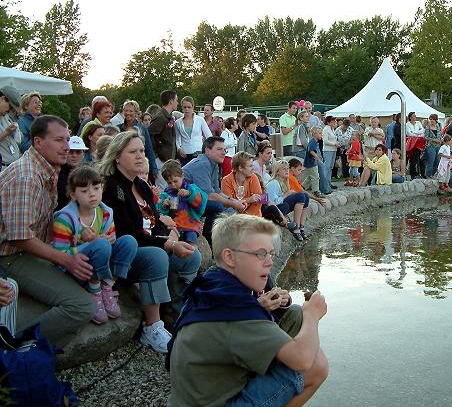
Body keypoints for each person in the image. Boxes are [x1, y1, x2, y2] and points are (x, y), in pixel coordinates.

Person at [168, 214, 328, 407]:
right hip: (215, 402)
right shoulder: (236, 310)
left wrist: (269, 305)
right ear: (230, 257)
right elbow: (301, 360)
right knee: (316, 364)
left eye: (270, 254)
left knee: (295, 315)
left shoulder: (211, 285)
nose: (269, 262)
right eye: (260, 254)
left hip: (192, 396)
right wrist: (312, 314)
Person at [100, 130, 201, 351]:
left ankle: (176, 314)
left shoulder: (142, 186)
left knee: (193, 257)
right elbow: (129, 234)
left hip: (147, 242)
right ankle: (151, 327)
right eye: (132, 152)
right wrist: (169, 243)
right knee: (157, 257)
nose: (140, 156)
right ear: (117, 156)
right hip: (121, 254)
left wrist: (171, 235)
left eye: (142, 151)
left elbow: (154, 225)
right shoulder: (111, 188)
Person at [0, 115, 95, 347]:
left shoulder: (46, 169)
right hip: (11, 256)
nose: (67, 146)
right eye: (59, 140)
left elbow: (43, 221)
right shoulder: (27, 177)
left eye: (68, 139)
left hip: (24, 249)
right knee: (82, 306)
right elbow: (20, 238)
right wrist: (65, 259)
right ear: (38, 142)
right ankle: (14, 347)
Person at [52, 165, 137, 324]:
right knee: (101, 245)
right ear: (73, 194)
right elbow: (58, 256)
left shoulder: (105, 213)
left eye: (96, 188)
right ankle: (94, 291)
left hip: (99, 264)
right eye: (84, 191)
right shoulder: (66, 218)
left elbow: (110, 240)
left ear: (102, 188)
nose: (92, 194)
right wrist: (86, 241)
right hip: (74, 270)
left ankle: (107, 286)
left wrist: (106, 240)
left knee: (129, 242)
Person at [183, 136, 246, 246]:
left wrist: (234, 201)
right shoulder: (202, 164)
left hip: (195, 199)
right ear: (207, 150)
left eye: (224, 150)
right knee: (218, 206)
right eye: (219, 149)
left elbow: (216, 191)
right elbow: (209, 195)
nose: (223, 153)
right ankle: (209, 240)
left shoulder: (214, 164)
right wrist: (233, 203)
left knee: (227, 208)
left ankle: (222, 241)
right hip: (181, 201)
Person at [157, 160, 207, 245]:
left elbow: (201, 202)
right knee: (171, 239)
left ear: (182, 176)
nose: (173, 185)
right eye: (169, 183)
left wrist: (189, 194)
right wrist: (164, 205)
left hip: (190, 223)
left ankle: (193, 252)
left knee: (191, 240)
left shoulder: (191, 188)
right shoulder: (165, 194)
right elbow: (160, 213)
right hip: (174, 225)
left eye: (175, 181)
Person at [266, 160, 310, 242]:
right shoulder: (274, 183)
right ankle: (296, 228)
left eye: (287, 168)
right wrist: (286, 194)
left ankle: (301, 226)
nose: (287, 171)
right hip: (273, 212)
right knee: (300, 196)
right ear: (277, 172)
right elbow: (272, 203)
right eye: (283, 169)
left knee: (305, 196)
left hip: (281, 207)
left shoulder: (284, 182)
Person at [118, 99, 158, 181]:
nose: (128, 113)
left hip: (139, 163)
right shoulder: (118, 128)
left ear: (136, 113)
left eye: (131, 111)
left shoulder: (142, 128)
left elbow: (149, 148)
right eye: (126, 110)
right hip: (124, 164)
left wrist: (153, 168)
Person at [149, 90, 179, 187]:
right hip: (161, 160)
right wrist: (156, 155)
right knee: (162, 187)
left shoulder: (168, 117)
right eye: (176, 100)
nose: (177, 103)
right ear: (171, 101)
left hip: (167, 159)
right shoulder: (161, 117)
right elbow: (149, 135)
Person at [221, 151, 264, 217]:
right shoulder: (226, 180)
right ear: (240, 168)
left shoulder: (254, 177)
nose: (253, 168)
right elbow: (228, 204)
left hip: (253, 217)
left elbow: (261, 199)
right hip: (234, 217)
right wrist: (249, 200)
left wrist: (246, 217)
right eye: (250, 166)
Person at [175, 96, 212, 167]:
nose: (187, 109)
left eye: (189, 107)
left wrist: (207, 149)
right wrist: (179, 148)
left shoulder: (200, 120)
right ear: (182, 108)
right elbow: (177, 138)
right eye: (184, 107)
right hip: (184, 154)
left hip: (198, 152)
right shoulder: (178, 122)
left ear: (193, 107)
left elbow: (209, 136)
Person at [57, 136, 89, 210]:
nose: (74, 155)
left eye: (78, 152)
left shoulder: (88, 172)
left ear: (83, 154)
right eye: (71, 152)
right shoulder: (57, 172)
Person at [300, 127, 326, 196]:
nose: (321, 135)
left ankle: (302, 187)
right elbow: (311, 150)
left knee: (310, 176)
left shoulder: (314, 141)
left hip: (311, 162)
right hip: (311, 162)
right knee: (315, 176)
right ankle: (315, 191)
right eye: (320, 133)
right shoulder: (313, 142)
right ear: (314, 134)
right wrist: (316, 156)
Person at [0, 89, 22, 169]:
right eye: (10, 106)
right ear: (2, 99)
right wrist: (6, 132)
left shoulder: (5, 116)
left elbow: (18, 141)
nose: (9, 111)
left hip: (12, 167)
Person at [406, 112, 425, 178]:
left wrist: (415, 133)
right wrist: (417, 134)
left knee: (420, 159)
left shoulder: (418, 123)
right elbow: (409, 133)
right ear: (410, 117)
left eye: (415, 116)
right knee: (413, 159)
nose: (415, 117)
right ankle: (413, 174)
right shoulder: (407, 124)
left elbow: (422, 131)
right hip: (411, 143)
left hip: (419, 143)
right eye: (413, 116)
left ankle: (421, 173)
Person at [321, 116, 338, 189]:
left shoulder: (332, 129)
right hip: (328, 150)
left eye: (334, 121)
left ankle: (329, 182)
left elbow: (333, 139)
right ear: (328, 122)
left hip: (333, 149)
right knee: (327, 167)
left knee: (330, 167)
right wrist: (334, 144)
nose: (334, 122)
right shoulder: (326, 129)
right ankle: (325, 184)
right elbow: (325, 141)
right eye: (332, 121)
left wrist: (336, 143)